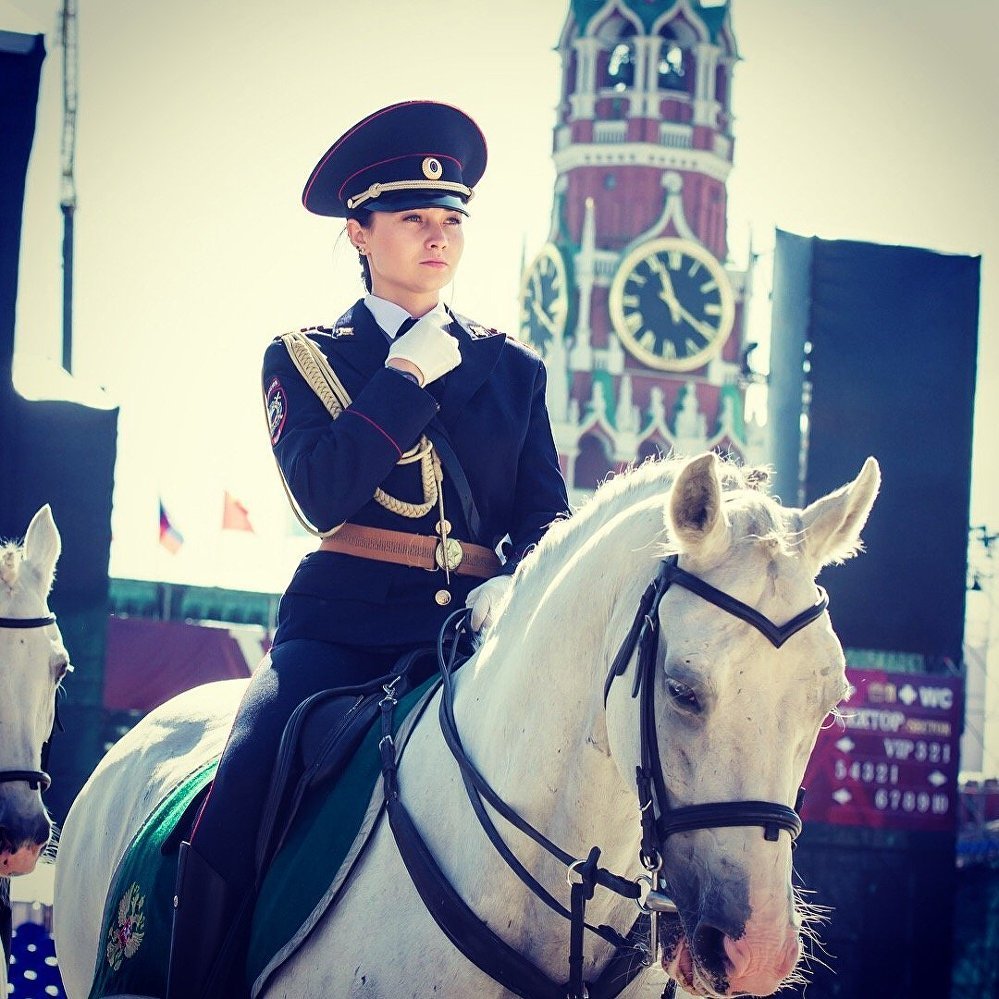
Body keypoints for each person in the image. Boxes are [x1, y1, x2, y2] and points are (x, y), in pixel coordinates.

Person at [165, 100, 571, 999]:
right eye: (413, 219)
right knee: (243, 785)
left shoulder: (513, 369)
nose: (438, 238)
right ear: (359, 230)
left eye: (452, 220)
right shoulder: (306, 355)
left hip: (470, 637)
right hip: (338, 632)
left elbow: (545, 518)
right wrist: (403, 379)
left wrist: (513, 581)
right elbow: (321, 494)